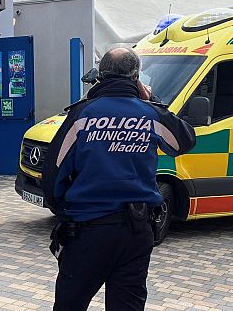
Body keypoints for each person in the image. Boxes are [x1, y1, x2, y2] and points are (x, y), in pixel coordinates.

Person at [41, 47, 196, 311]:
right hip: (136, 231)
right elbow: (184, 141)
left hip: (88, 229)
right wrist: (152, 99)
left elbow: (53, 174)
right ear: (136, 77)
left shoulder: (82, 115)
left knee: (70, 304)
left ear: (100, 76)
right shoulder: (150, 114)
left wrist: (65, 211)